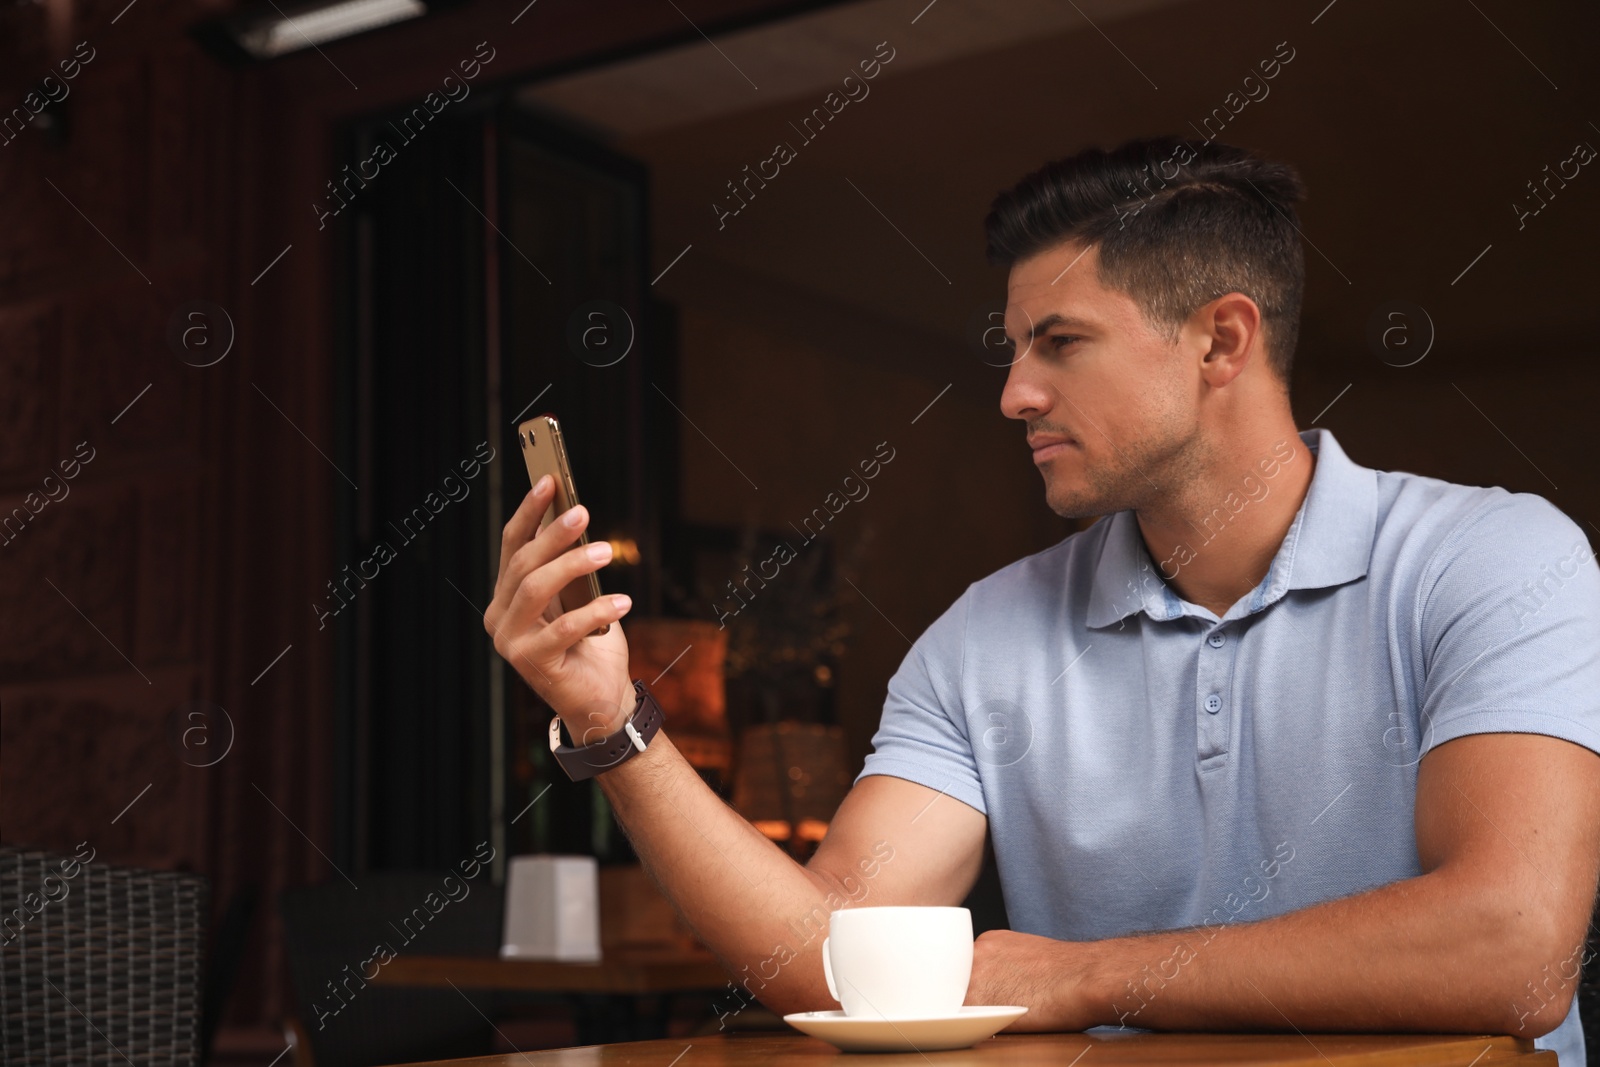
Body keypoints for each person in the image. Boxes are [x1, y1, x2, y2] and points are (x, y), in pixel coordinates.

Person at [483, 135, 1600, 1064]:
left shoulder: (1494, 559)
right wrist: (611, 723)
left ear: (1221, 339)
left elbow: (1513, 944)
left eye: (1059, 344)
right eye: (1015, 347)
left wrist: (1088, 974)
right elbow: (826, 953)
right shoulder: (982, 638)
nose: (1014, 392)